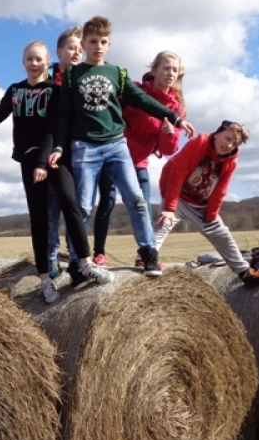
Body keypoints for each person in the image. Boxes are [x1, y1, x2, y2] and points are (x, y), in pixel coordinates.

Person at [49, 15, 194, 278]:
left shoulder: (117, 73)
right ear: (84, 44)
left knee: (136, 199)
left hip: (116, 146)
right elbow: (63, 115)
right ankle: (77, 261)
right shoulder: (72, 75)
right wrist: (58, 147)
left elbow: (142, 100)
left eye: (103, 41)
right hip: (85, 148)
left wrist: (174, 118)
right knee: (83, 207)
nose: (98, 46)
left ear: (109, 44)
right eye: (93, 41)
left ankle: (149, 253)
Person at [0, 41, 112, 303]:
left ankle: (85, 262)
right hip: (28, 159)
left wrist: (42, 163)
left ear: (47, 62)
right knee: (39, 219)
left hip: (54, 158)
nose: (34, 63)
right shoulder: (15, 91)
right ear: (23, 62)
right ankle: (45, 279)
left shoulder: (54, 90)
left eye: (39, 59)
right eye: (30, 59)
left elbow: (50, 129)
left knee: (70, 202)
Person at [92, 51, 188, 268]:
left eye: (175, 70)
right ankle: (99, 253)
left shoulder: (176, 108)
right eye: (166, 68)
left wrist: (168, 134)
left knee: (142, 205)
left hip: (138, 161)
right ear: (154, 70)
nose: (170, 73)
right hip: (114, 155)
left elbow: (168, 149)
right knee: (107, 201)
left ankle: (146, 256)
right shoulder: (135, 91)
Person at [154, 120, 259, 286]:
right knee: (163, 223)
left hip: (201, 205)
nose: (229, 145)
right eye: (227, 138)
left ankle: (245, 273)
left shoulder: (231, 161)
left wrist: (211, 215)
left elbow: (221, 189)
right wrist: (170, 207)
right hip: (179, 198)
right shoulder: (198, 143)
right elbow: (177, 172)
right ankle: (146, 258)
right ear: (217, 134)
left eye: (234, 144)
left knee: (222, 234)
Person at [46, 26, 84, 278]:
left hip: (80, 153)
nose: (77, 52)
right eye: (71, 47)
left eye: (80, 49)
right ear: (59, 52)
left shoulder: (87, 80)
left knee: (76, 207)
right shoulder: (47, 81)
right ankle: (51, 257)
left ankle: (75, 258)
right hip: (51, 153)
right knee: (51, 208)